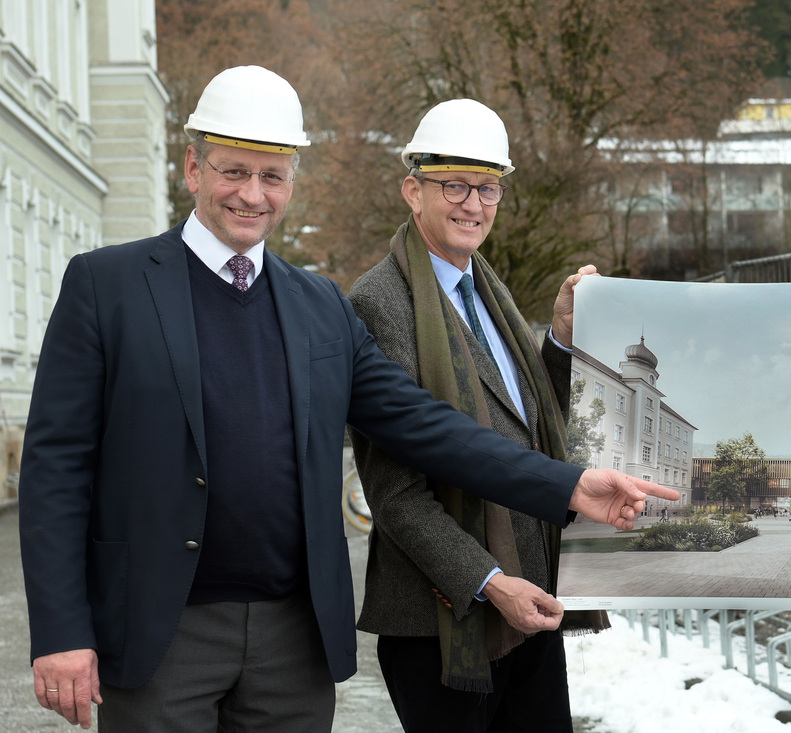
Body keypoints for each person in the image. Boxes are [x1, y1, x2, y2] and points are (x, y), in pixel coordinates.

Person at [18, 67, 679, 732]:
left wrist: (568, 484)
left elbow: (429, 429)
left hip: (291, 640)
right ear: (193, 167)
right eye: (234, 172)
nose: (253, 194)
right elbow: (55, 472)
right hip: (163, 633)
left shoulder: (320, 307)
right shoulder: (107, 287)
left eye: (272, 176)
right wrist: (61, 631)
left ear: (291, 183)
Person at [346, 98, 608, 732]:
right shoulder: (380, 302)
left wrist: (563, 343)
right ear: (413, 190)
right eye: (453, 185)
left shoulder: (488, 288)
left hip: (532, 599)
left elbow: (517, 419)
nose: (472, 203)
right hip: (446, 618)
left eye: (487, 187)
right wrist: (490, 583)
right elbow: (396, 493)